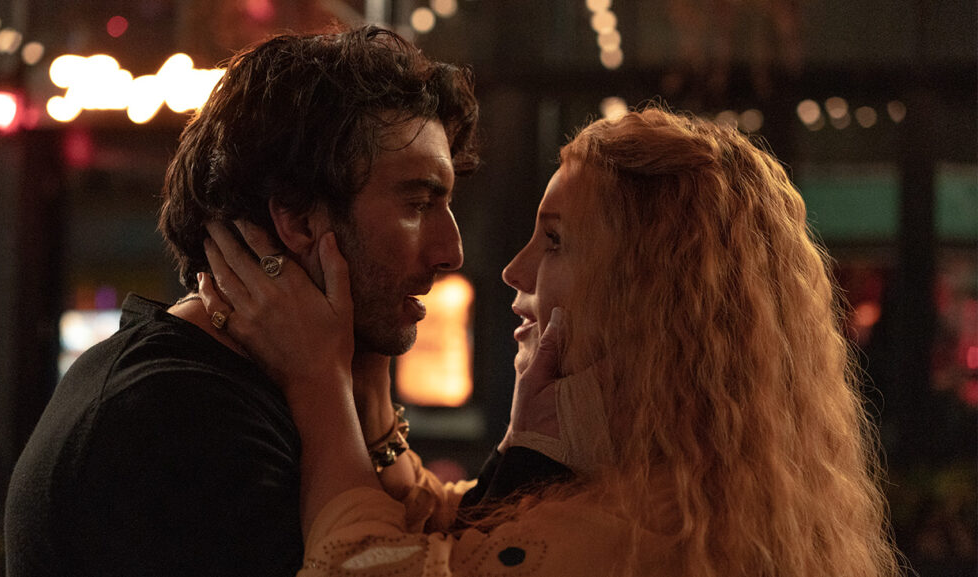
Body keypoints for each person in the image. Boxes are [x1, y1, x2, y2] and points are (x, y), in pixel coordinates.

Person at [200, 106, 904, 576]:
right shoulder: (689, 480)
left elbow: (365, 564)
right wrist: (373, 387)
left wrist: (317, 380)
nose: (515, 269)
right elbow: (453, 534)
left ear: (648, 292)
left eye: (556, 241)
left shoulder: (635, 532)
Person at [4, 26, 478, 576]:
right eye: (418, 204)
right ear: (298, 220)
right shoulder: (178, 422)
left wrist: (362, 388)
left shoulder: (244, 390)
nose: (451, 252)